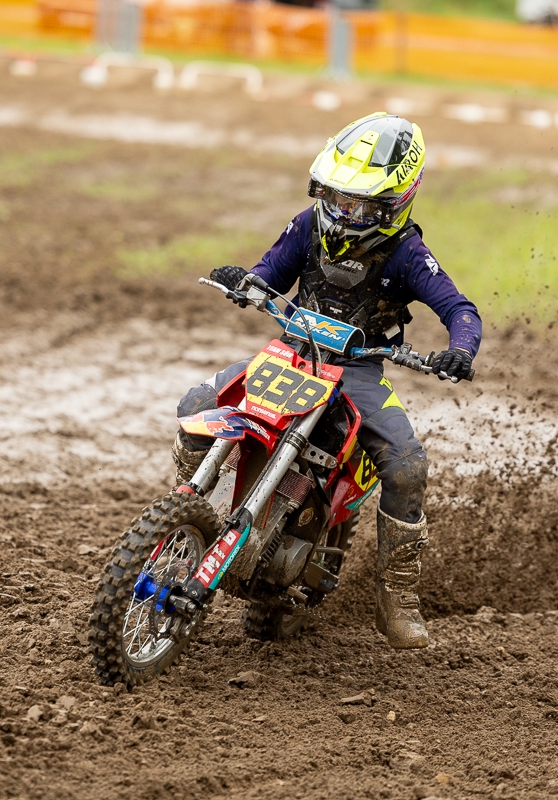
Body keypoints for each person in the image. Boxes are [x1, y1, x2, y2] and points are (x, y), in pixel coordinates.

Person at [172, 113, 482, 649]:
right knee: (197, 403)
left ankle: (398, 596)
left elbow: (460, 309)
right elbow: (269, 273)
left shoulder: (407, 254)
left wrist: (459, 350)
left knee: (407, 464)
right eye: (336, 198)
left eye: (359, 205)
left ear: (394, 204)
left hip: (357, 369)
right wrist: (247, 282)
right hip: (292, 353)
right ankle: (188, 517)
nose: (343, 213)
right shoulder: (308, 226)